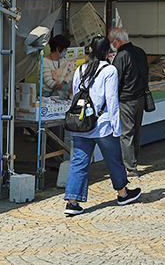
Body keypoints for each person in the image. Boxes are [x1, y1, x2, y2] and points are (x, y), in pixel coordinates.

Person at [63, 35, 141, 216]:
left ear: (90, 49)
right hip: (102, 124)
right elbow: (112, 100)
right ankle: (122, 194)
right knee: (113, 159)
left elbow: (76, 96)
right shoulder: (109, 70)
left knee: (79, 162)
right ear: (108, 52)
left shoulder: (80, 69)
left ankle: (72, 202)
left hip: (82, 123)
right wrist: (117, 127)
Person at [109, 27, 150, 177]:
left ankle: (130, 168)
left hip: (126, 99)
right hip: (140, 98)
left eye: (112, 42)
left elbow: (115, 80)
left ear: (117, 41)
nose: (111, 45)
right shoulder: (140, 51)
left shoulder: (121, 56)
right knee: (136, 132)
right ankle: (134, 161)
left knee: (126, 134)